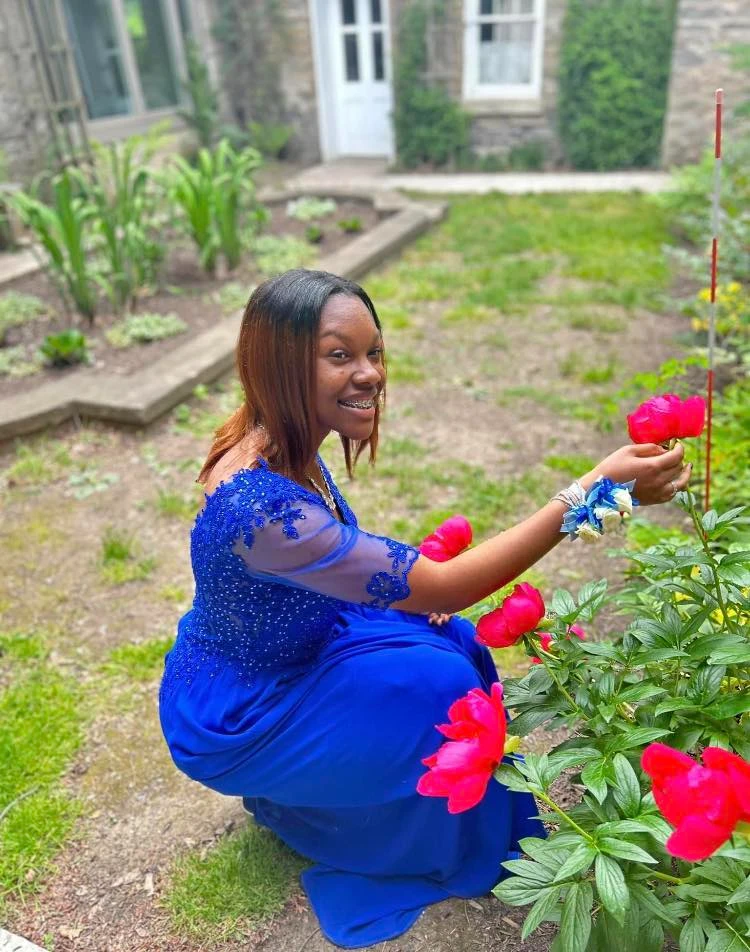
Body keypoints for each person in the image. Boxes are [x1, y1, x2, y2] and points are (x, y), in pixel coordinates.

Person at [159, 268, 690, 948]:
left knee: (457, 650)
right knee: (442, 691)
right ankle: (311, 809)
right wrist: (593, 489)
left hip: (296, 639)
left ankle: (328, 794)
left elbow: (363, 567)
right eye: (340, 355)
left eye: (374, 352)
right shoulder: (258, 507)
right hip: (243, 708)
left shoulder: (277, 438)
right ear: (279, 363)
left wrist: (421, 598)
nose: (370, 374)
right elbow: (446, 585)